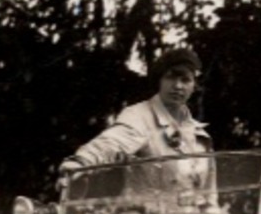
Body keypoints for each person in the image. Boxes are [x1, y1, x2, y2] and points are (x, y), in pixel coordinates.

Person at [59, 47, 213, 203]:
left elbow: (210, 196)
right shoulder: (140, 116)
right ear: (159, 80)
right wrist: (81, 161)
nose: (178, 86)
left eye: (185, 80)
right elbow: (112, 142)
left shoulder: (199, 134)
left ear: (194, 85)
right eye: (170, 78)